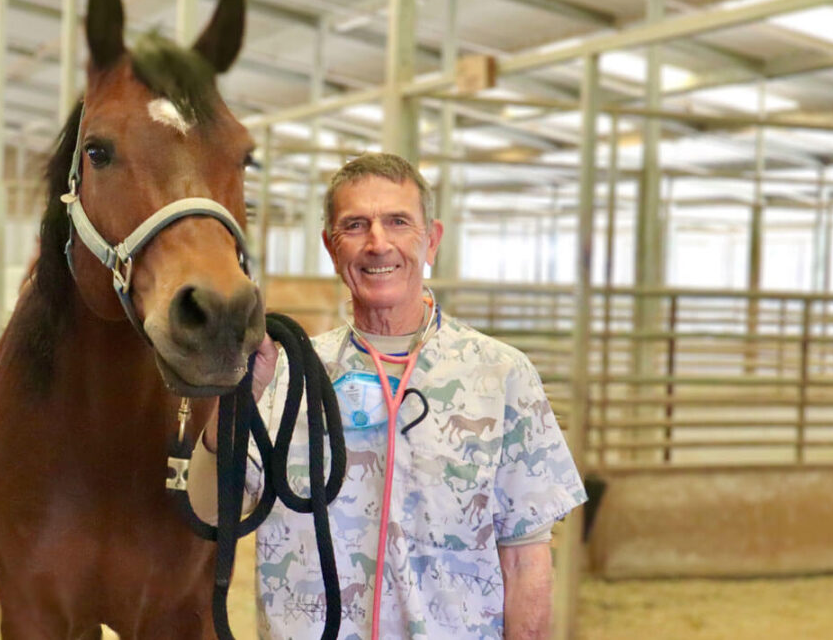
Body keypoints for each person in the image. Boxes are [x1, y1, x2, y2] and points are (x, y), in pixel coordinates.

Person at [189, 153, 587, 639]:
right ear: (332, 249)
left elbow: (526, 559)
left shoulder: (502, 375)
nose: (378, 243)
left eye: (398, 222)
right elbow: (208, 510)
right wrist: (239, 399)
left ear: (431, 240)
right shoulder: (288, 376)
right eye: (354, 225)